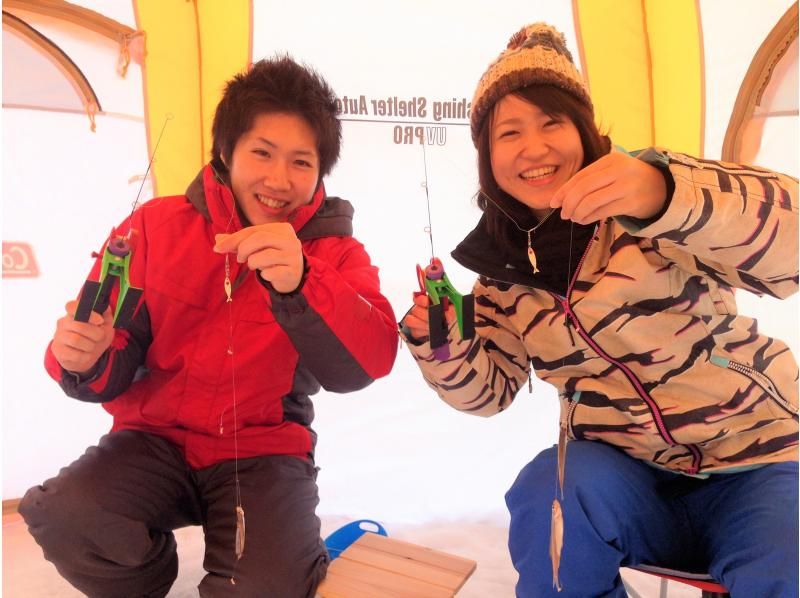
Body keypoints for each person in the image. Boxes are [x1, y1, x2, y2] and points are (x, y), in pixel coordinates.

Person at [400, 22, 798, 598]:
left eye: (551, 123)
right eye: (509, 132)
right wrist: (443, 346)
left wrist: (665, 194)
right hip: (628, 482)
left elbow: (789, 246)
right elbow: (487, 394)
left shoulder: (651, 201)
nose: (533, 148)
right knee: (549, 495)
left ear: (585, 133)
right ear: (487, 156)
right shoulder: (500, 275)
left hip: (756, 463)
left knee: (787, 559)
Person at [20, 55, 398, 598]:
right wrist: (83, 357)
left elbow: (368, 362)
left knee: (267, 586)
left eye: (301, 162)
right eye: (261, 153)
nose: (278, 179)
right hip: (153, 441)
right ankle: (147, 579)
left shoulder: (336, 251)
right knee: (64, 514)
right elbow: (106, 345)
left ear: (319, 173)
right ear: (226, 152)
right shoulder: (152, 226)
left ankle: (287, 555)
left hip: (265, 452)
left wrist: (302, 282)